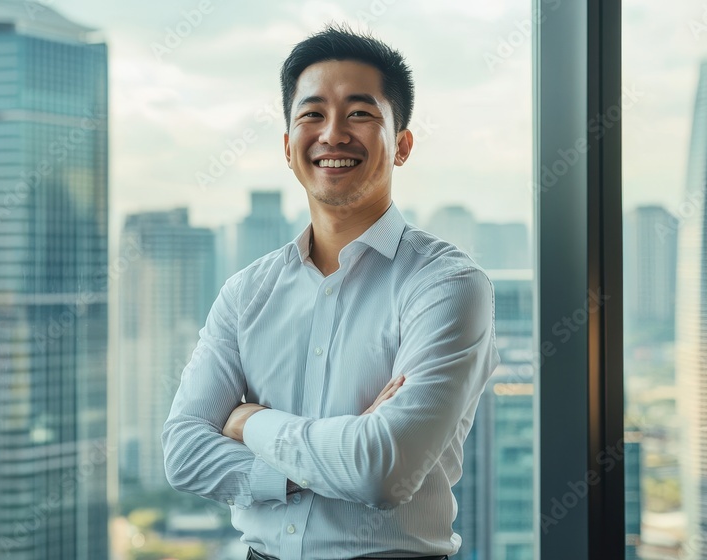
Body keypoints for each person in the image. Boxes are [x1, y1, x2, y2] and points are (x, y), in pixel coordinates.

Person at [162, 24, 500, 560]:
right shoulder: (246, 292)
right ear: (288, 146)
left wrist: (250, 422)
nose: (333, 134)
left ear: (403, 144)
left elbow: (383, 471)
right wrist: (330, 456)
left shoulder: (446, 285)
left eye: (361, 113)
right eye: (312, 114)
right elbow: (183, 453)